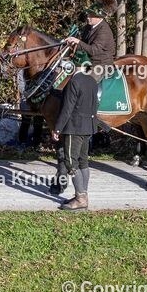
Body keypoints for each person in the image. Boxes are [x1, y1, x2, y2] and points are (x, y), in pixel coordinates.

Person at [51, 61, 100, 211]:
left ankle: (80, 198)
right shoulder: (92, 80)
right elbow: (96, 104)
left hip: (74, 127)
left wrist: (57, 129)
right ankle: (83, 194)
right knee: (83, 161)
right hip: (88, 127)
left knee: (71, 162)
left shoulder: (74, 81)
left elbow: (67, 108)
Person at [64, 0, 117, 82]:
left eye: (91, 15)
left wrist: (78, 42)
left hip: (101, 65)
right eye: (88, 14)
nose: (88, 17)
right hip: (88, 62)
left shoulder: (104, 30)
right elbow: (84, 45)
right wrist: (73, 44)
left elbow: (93, 50)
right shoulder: (88, 27)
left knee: (83, 82)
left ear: (99, 17)